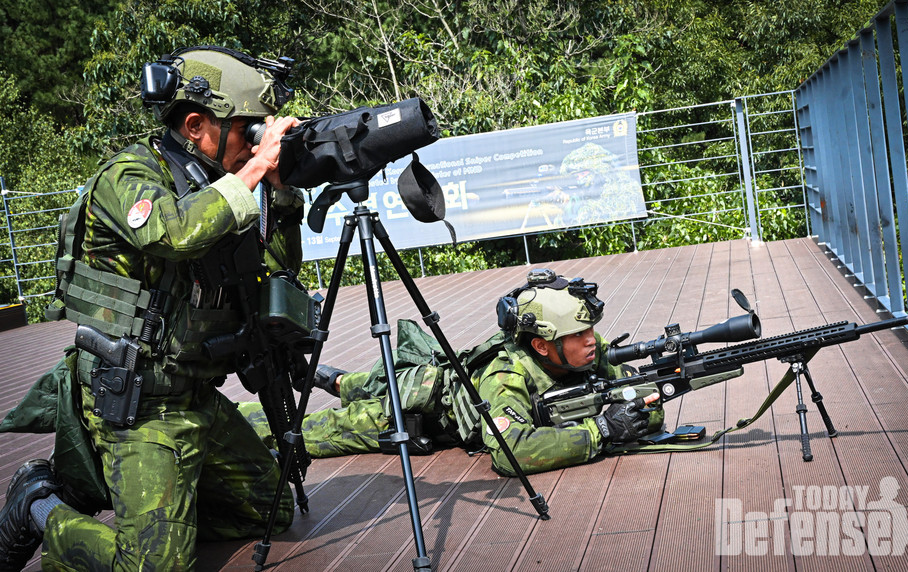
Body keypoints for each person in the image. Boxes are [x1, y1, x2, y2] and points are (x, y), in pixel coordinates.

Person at [0, 46, 304, 571]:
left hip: (196, 399)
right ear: (194, 125)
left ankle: (164, 517)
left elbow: (274, 271)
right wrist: (254, 168)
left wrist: (282, 196)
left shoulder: (217, 187)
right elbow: (175, 232)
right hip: (139, 408)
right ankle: (37, 506)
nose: (256, 142)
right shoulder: (129, 177)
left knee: (268, 509)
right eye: (247, 130)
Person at [241, 268, 663, 476]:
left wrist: (649, 400)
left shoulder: (583, 351)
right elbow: (509, 450)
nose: (593, 341)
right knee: (305, 428)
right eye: (579, 333)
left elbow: (640, 397)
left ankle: (325, 377)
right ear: (541, 344)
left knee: (364, 381)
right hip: (417, 406)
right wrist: (599, 433)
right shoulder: (506, 376)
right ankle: (234, 417)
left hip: (436, 375)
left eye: (591, 330)